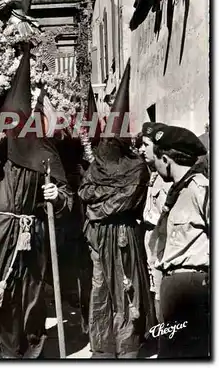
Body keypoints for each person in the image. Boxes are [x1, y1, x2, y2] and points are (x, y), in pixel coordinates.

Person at [0, 43, 73, 359]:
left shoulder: (45, 153)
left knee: (27, 298)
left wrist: (56, 197)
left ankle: (23, 352)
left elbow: (67, 198)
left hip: (29, 239)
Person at [78, 136, 156, 358]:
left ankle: (127, 345)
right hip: (98, 238)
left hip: (123, 236)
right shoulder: (97, 166)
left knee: (125, 287)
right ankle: (103, 346)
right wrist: (110, 191)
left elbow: (125, 200)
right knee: (100, 287)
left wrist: (97, 205)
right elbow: (84, 192)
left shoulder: (137, 168)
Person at [150, 125, 209, 358]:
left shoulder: (199, 189)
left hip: (192, 287)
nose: (154, 166)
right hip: (173, 286)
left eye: (155, 158)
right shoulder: (177, 192)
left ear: (165, 159)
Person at [138, 123, 170, 321]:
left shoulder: (167, 179)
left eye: (145, 144)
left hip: (163, 241)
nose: (141, 149)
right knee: (155, 289)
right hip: (152, 239)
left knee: (162, 293)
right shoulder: (152, 174)